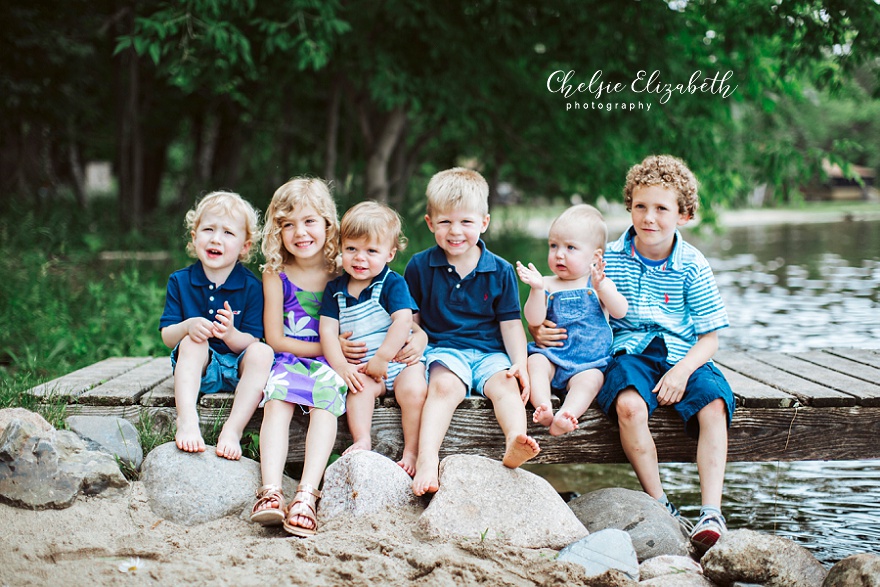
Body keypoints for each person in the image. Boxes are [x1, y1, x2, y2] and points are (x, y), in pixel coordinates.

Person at [532, 155, 734, 554]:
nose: (649, 217)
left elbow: (710, 338)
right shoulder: (603, 257)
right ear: (629, 206)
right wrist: (541, 327)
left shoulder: (692, 265)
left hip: (683, 353)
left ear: (684, 214)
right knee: (628, 405)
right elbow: (563, 291)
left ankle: (712, 512)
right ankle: (660, 503)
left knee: (713, 406)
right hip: (629, 353)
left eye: (662, 208)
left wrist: (682, 372)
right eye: (641, 206)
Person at [405, 167, 540, 497]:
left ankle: (515, 441)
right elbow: (411, 319)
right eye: (445, 222)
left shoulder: (501, 270)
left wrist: (519, 362)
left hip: (490, 352)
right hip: (444, 348)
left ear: (484, 222)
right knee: (443, 387)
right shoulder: (420, 266)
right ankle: (427, 459)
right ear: (429, 223)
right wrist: (413, 345)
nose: (455, 231)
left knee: (507, 387)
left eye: (466, 222)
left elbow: (510, 324)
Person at [250, 178, 347, 537]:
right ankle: (271, 492)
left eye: (309, 221)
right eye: (287, 224)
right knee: (276, 401)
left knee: (325, 406)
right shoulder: (275, 274)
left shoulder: (344, 269)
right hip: (290, 359)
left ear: (327, 224)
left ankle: (306, 493)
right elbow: (276, 339)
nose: (299, 232)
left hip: (332, 366)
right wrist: (330, 348)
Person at [159, 191, 274, 460]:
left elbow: (254, 341)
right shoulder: (180, 281)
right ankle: (187, 421)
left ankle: (232, 430)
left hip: (238, 373)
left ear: (245, 246)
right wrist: (187, 326)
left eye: (227, 233)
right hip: (200, 369)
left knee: (263, 353)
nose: (215, 238)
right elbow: (167, 336)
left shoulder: (251, 286)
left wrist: (232, 335)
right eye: (208, 229)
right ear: (194, 237)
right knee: (192, 342)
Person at [318, 201, 428, 476]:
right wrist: (342, 366)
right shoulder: (335, 289)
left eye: (371, 251)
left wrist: (383, 357)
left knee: (414, 391)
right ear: (341, 248)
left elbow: (403, 321)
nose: (360, 258)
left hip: (399, 362)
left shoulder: (392, 283)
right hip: (366, 369)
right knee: (358, 389)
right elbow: (327, 331)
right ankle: (362, 439)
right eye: (351, 249)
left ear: (390, 254)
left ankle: (412, 451)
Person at [516, 204, 628, 436]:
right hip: (552, 357)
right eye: (553, 245)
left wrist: (603, 289)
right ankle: (543, 405)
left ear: (595, 256)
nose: (559, 254)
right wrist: (536, 290)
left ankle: (566, 415)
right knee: (535, 363)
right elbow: (533, 319)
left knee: (591, 382)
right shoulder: (547, 283)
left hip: (589, 363)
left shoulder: (598, 284)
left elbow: (620, 311)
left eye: (570, 247)